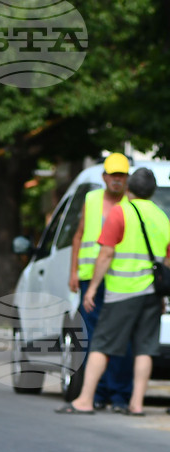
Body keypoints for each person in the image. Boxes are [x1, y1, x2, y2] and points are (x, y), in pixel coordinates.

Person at [59, 167, 170, 415]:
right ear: (151, 191)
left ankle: (85, 400)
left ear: (130, 188)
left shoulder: (122, 212)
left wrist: (93, 288)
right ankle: (137, 404)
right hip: (152, 293)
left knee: (101, 343)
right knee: (144, 348)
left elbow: (106, 253)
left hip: (122, 290)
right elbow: (168, 259)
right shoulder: (162, 217)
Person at [67, 153, 133, 410]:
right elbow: (78, 236)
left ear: (127, 179)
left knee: (120, 338)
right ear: (104, 176)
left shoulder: (131, 204)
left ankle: (118, 395)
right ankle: (95, 393)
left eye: (122, 175)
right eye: (113, 175)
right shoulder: (91, 199)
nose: (117, 180)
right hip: (88, 279)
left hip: (119, 279)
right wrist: (73, 271)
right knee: (92, 337)